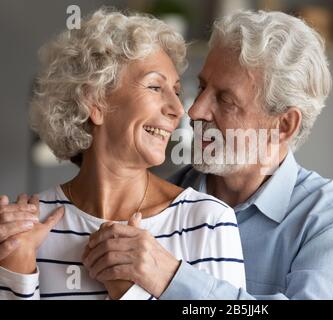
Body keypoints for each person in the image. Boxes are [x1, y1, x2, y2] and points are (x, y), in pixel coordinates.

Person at [84, 10, 333, 300]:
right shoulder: (155, 203)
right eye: (203, 87)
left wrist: (170, 277)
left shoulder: (330, 220)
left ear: (283, 125)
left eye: (225, 100)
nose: (194, 112)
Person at [0, 8, 245, 300]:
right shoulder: (23, 229)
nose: (178, 110)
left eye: (176, 92)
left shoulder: (208, 221)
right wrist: (17, 271)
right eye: (156, 87)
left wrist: (129, 292)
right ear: (95, 101)